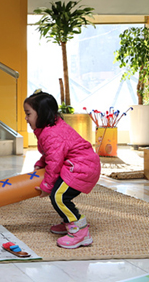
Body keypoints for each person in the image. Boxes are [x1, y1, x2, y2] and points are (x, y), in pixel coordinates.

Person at [24, 90, 100, 249]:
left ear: (42, 114)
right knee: (60, 196)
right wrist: (41, 162)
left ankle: (80, 232)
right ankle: (68, 222)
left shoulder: (51, 134)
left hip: (81, 168)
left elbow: (55, 162)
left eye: (28, 114)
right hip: (79, 164)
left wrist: (46, 186)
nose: (26, 118)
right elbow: (53, 153)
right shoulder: (50, 129)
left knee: (58, 196)